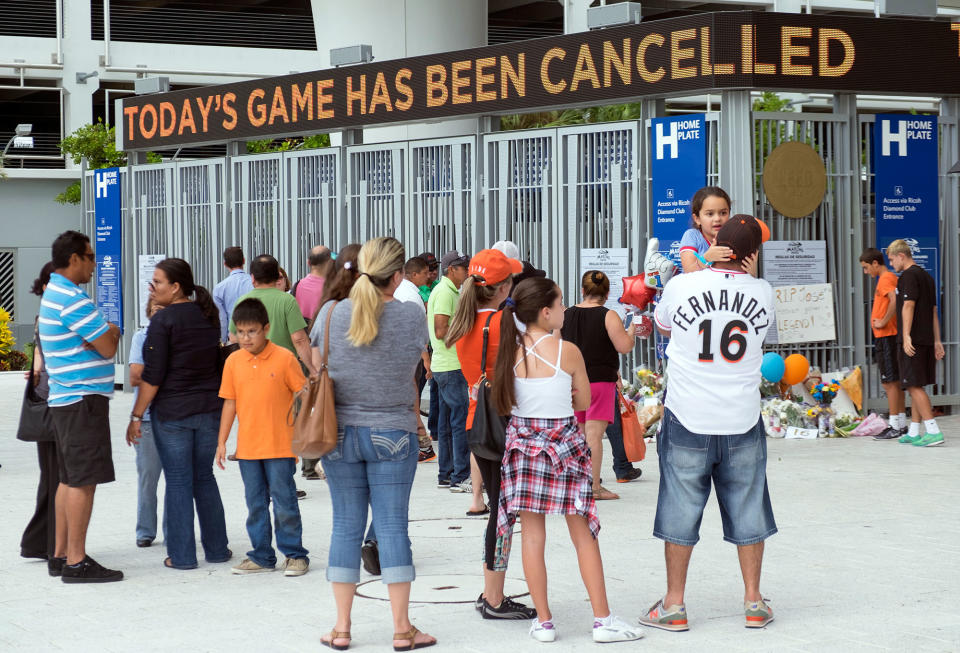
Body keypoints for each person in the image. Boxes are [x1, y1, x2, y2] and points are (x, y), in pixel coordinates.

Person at [640, 215, 777, 632]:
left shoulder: (681, 285)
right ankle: (754, 602)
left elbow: (662, 325)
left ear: (717, 242)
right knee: (749, 507)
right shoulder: (764, 291)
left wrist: (695, 266)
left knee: (680, 510)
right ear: (751, 256)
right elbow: (764, 334)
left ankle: (674, 605)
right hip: (741, 418)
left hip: (688, 416)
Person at [491, 277, 641, 644]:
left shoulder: (509, 352)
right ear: (545, 312)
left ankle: (543, 622)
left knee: (532, 537)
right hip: (565, 447)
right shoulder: (567, 352)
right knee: (583, 535)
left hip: (523, 447)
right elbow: (583, 403)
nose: (563, 310)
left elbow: (504, 402)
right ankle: (602, 620)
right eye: (559, 304)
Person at [311, 237, 435, 651]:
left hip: (340, 433)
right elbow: (419, 366)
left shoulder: (331, 314)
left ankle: (342, 628)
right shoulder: (411, 316)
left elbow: (317, 367)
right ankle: (402, 628)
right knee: (392, 526)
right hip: (394, 432)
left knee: (345, 526)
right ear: (398, 276)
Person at [445, 249, 537, 621]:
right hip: (505, 424)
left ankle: (492, 592)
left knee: (500, 510)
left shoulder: (464, 319)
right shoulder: (504, 323)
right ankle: (494, 596)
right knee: (502, 515)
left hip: (477, 423)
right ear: (503, 287)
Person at [126, 258, 231, 570]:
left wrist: (136, 416)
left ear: (175, 287)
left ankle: (183, 556)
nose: (152, 287)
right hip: (209, 410)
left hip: (173, 413)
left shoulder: (163, 321)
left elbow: (152, 376)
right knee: (204, 477)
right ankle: (217, 549)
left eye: (157, 282)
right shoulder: (208, 315)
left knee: (179, 480)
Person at [39, 231, 122, 582]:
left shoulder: (55, 292)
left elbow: (97, 340)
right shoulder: (72, 299)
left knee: (68, 479)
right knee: (83, 481)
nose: (94, 263)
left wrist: (102, 334)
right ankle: (76, 561)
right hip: (82, 400)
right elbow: (107, 346)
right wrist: (112, 331)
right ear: (74, 258)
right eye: (90, 257)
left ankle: (60, 554)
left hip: (67, 398)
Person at [216, 298, 310, 576]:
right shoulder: (233, 361)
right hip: (248, 449)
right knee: (255, 504)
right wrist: (222, 442)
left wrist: (306, 431)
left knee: (285, 503)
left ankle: (295, 555)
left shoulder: (284, 357)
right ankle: (261, 555)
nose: (245, 338)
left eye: (252, 331)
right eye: (241, 332)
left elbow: (302, 393)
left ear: (266, 329)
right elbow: (229, 403)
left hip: (280, 446)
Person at [561, 270, 640, 500]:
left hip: (573, 382)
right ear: (606, 294)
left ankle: (576, 484)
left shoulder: (567, 315)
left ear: (583, 291)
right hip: (599, 383)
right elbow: (624, 346)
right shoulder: (609, 316)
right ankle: (594, 487)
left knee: (578, 435)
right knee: (594, 437)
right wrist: (632, 331)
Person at [886, 239, 946, 447]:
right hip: (926, 339)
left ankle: (933, 431)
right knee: (915, 385)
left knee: (913, 386)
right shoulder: (927, 276)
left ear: (901, 256)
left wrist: (906, 336)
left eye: (892, 260)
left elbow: (908, 306)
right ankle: (914, 431)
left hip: (913, 341)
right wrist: (937, 340)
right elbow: (932, 312)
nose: (892, 265)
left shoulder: (908, 276)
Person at [19, 262, 59, 566]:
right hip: (53, 403)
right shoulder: (53, 313)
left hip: (44, 399)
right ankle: (47, 543)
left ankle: (40, 541)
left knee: (52, 477)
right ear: (45, 285)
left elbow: (37, 362)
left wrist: (35, 374)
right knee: (57, 477)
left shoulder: (43, 314)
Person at [229, 255, 317, 377]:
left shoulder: (242, 301)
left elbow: (233, 338)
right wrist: (312, 369)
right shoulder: (288, 301)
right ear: (276, 277)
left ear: (253, 278)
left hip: (252, 370)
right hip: (284, 370)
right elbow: (299, 339)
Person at [428, 250, 472, 492]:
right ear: (451, 269)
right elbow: (441, 331)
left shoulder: (448, 291)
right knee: (459, 423)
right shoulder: (446, 292)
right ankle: (461, 474)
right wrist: (467, 328)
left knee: (446, 424)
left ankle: (446, 473)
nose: (467, 271)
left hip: (444, 365)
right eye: (463, 267)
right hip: (452, 365)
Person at [127, 298, 166, 548]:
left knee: (177, 480)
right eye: (154, 310)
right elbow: (135, 377)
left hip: (174, 418)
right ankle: (145, 531)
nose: (159, 314)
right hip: (149, 418)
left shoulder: (178, 337)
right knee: (148, 478)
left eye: (163, 310)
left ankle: (174, 529)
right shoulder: (141, 338)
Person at [859, 248, 907, 440]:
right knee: (892, 381)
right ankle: (900, 422)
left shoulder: (886, 278)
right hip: (885, 336)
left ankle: (895, 424)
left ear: (875, 264)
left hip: (886, 335)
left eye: (865, 267)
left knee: (889, 383)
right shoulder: (886, 278)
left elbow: (894, 300)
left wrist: (884, 320)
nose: (866, 272)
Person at [395, 255, 436, 461]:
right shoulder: (410, 296)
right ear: (413, 274)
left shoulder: (406, 292)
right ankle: (421, 444)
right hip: (411, 356)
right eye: (425, 273)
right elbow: (417, 332)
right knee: (413, 399)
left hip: (408, 355)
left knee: (412, 400)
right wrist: (426, 359)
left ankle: (420, 444)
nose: (429, 276)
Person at [678, 186, 733, 274]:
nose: (717, 218)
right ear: (697, 219)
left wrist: (750, 270)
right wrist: (707, 258)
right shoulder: (692, 236)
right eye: (710, 214)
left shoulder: (734, 238)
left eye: (723, 213)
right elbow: (689, 271)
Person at [212, 246, 253, 344]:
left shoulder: (219, 288)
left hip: (233, 337)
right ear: (243, 260)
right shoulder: (254, 283)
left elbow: (222, 318)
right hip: (254, 335)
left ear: (225, 264)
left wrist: (223, 340)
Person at [295, 245, 333, 321]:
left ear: (308, 262)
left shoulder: (297, 286)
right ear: (330, 262)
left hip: (302, 331)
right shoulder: (333, 287)